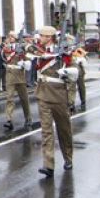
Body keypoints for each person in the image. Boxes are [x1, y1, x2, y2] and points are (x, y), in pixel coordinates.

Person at [34, 25, 74, 177]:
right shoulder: (38, 51)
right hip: (43, 93)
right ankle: (48, 164)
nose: (40, 38)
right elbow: (29, 53)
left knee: (64, 129)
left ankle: (68, 157)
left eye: (42, 36)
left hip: (58, 94)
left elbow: (73, 69)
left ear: (49, 37)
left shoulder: (63, 52)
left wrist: (67, 71)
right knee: (46, 131)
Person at [2, 32, 31, 130]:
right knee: (9, 98)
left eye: (12, 36)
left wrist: (23, 61)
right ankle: (9, 120)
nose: (10, 38)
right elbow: (3, 57)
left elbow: (28, 62)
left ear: (16, 38)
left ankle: (28, 117)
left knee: (24, 98)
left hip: (19, 75)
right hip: (10, 74)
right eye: (9, 36)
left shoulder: (22, 48)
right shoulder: (7, 48)